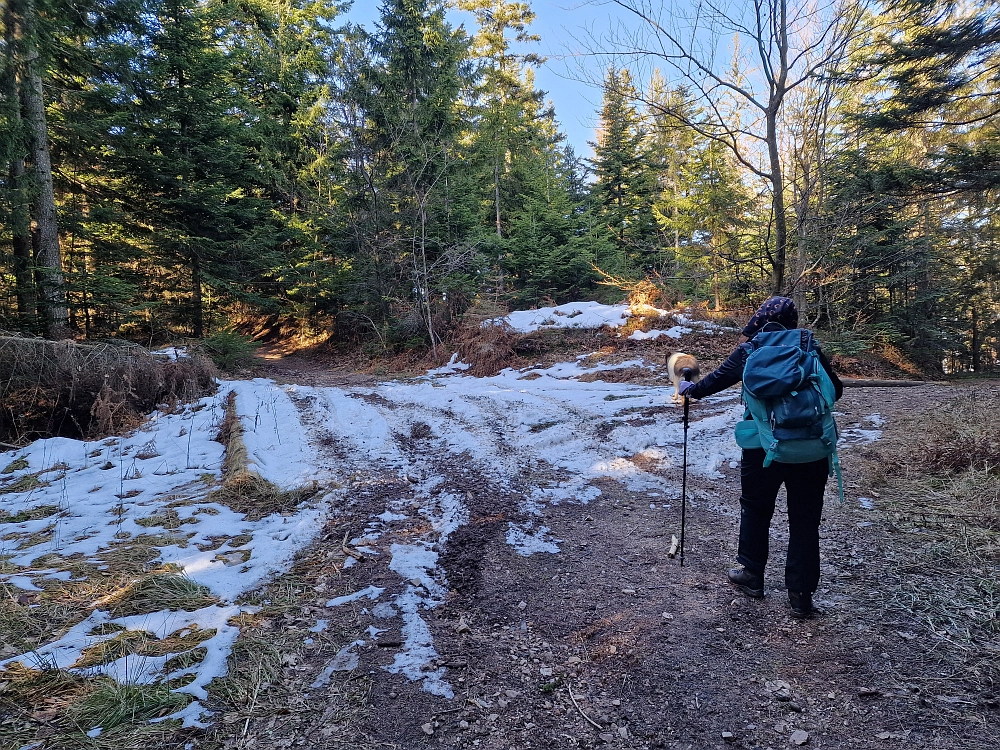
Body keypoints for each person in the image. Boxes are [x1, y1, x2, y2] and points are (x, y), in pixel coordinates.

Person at [678, 297, 843, 618]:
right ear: (792, 322)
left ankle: (752, 575)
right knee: (805, 518)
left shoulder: (751, 349)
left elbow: (712, 382)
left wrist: (688, 387)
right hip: (811, 446)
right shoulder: (807, 344)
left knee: (756, 508)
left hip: (761, 445)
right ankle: (800, 595)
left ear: (759, 321)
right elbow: (835, 389)